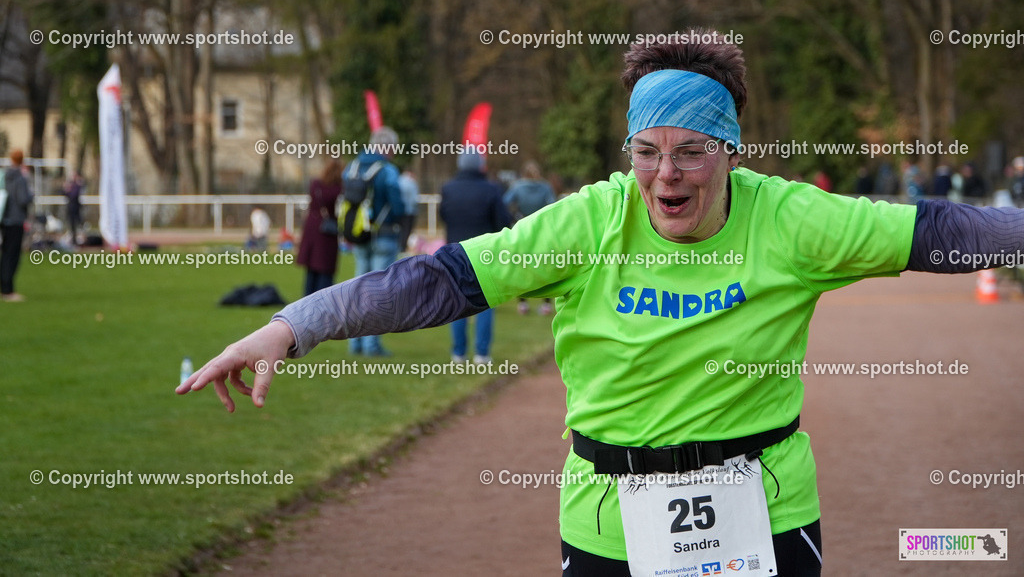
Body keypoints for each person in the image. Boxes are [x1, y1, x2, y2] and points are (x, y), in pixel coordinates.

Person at [177, 30, 1024, 577]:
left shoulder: (793, 219)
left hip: (762, 515)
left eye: (692, 153)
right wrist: (294, 324)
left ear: (731, 151)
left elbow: (940, 228)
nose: (667, 175)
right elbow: (440, 280)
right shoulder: (588, 220)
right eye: (649, 152)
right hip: (610, 523)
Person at [440, 148, 512, 363]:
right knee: (485, 302)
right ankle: (482, 353)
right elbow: (503, 222)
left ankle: (458, 353)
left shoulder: (448, 188)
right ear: (480, 165)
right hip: (484, 252)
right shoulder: (491, 189)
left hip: (454, 252)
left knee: (457, 303)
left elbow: (444, 215)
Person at [343, 127, 406, 357]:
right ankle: (372, 346)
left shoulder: (352, 167)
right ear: (387, 146)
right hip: (384, 235)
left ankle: (355, 343)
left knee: (359, 289)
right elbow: (398, 205)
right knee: (379, 292)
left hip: (359, 235)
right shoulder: (388, 171)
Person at [503, 160, 556, 314]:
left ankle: (523, 303)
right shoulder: (545, 187)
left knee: (521, 265)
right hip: (541, 229)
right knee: (545, 265)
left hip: (522, 227)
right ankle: (546, 303)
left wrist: (514, 215)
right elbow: (553, 205)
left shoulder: (517, 187)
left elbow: (504, 202)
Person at [295, 160, 342, 296]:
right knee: (325, 270)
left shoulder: (315, 185)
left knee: (311, 270)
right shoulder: (337, 189)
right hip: (327, 231)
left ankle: (307, 301)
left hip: (311, 229)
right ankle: (322, 303)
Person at [1, 149, 34, 302]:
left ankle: (4, 287)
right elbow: (23, 199)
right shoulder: (20, 178)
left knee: (5, 254)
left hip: (5, 218)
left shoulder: (5, 176)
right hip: (16, 220)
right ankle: (8, 290)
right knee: (12, 256)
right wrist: (31, 194)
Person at [397, 169, 419, 253]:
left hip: (399, 211)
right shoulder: (412, 183)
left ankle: (398, 246)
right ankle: (403, 248)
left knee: (399, 229)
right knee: (406, 230)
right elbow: (414, 199)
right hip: (409, 211)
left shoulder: (398, 180)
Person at [63, 172, 84, 245]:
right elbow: (66, 195)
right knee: (71, 225)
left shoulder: (77, 186)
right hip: (70, 208)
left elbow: (74, 195)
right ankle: (73, 240)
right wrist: (66, 189)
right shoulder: (70, 185)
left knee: (78, 224)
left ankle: (80, 240)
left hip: (76, 209)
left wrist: (69, 190)